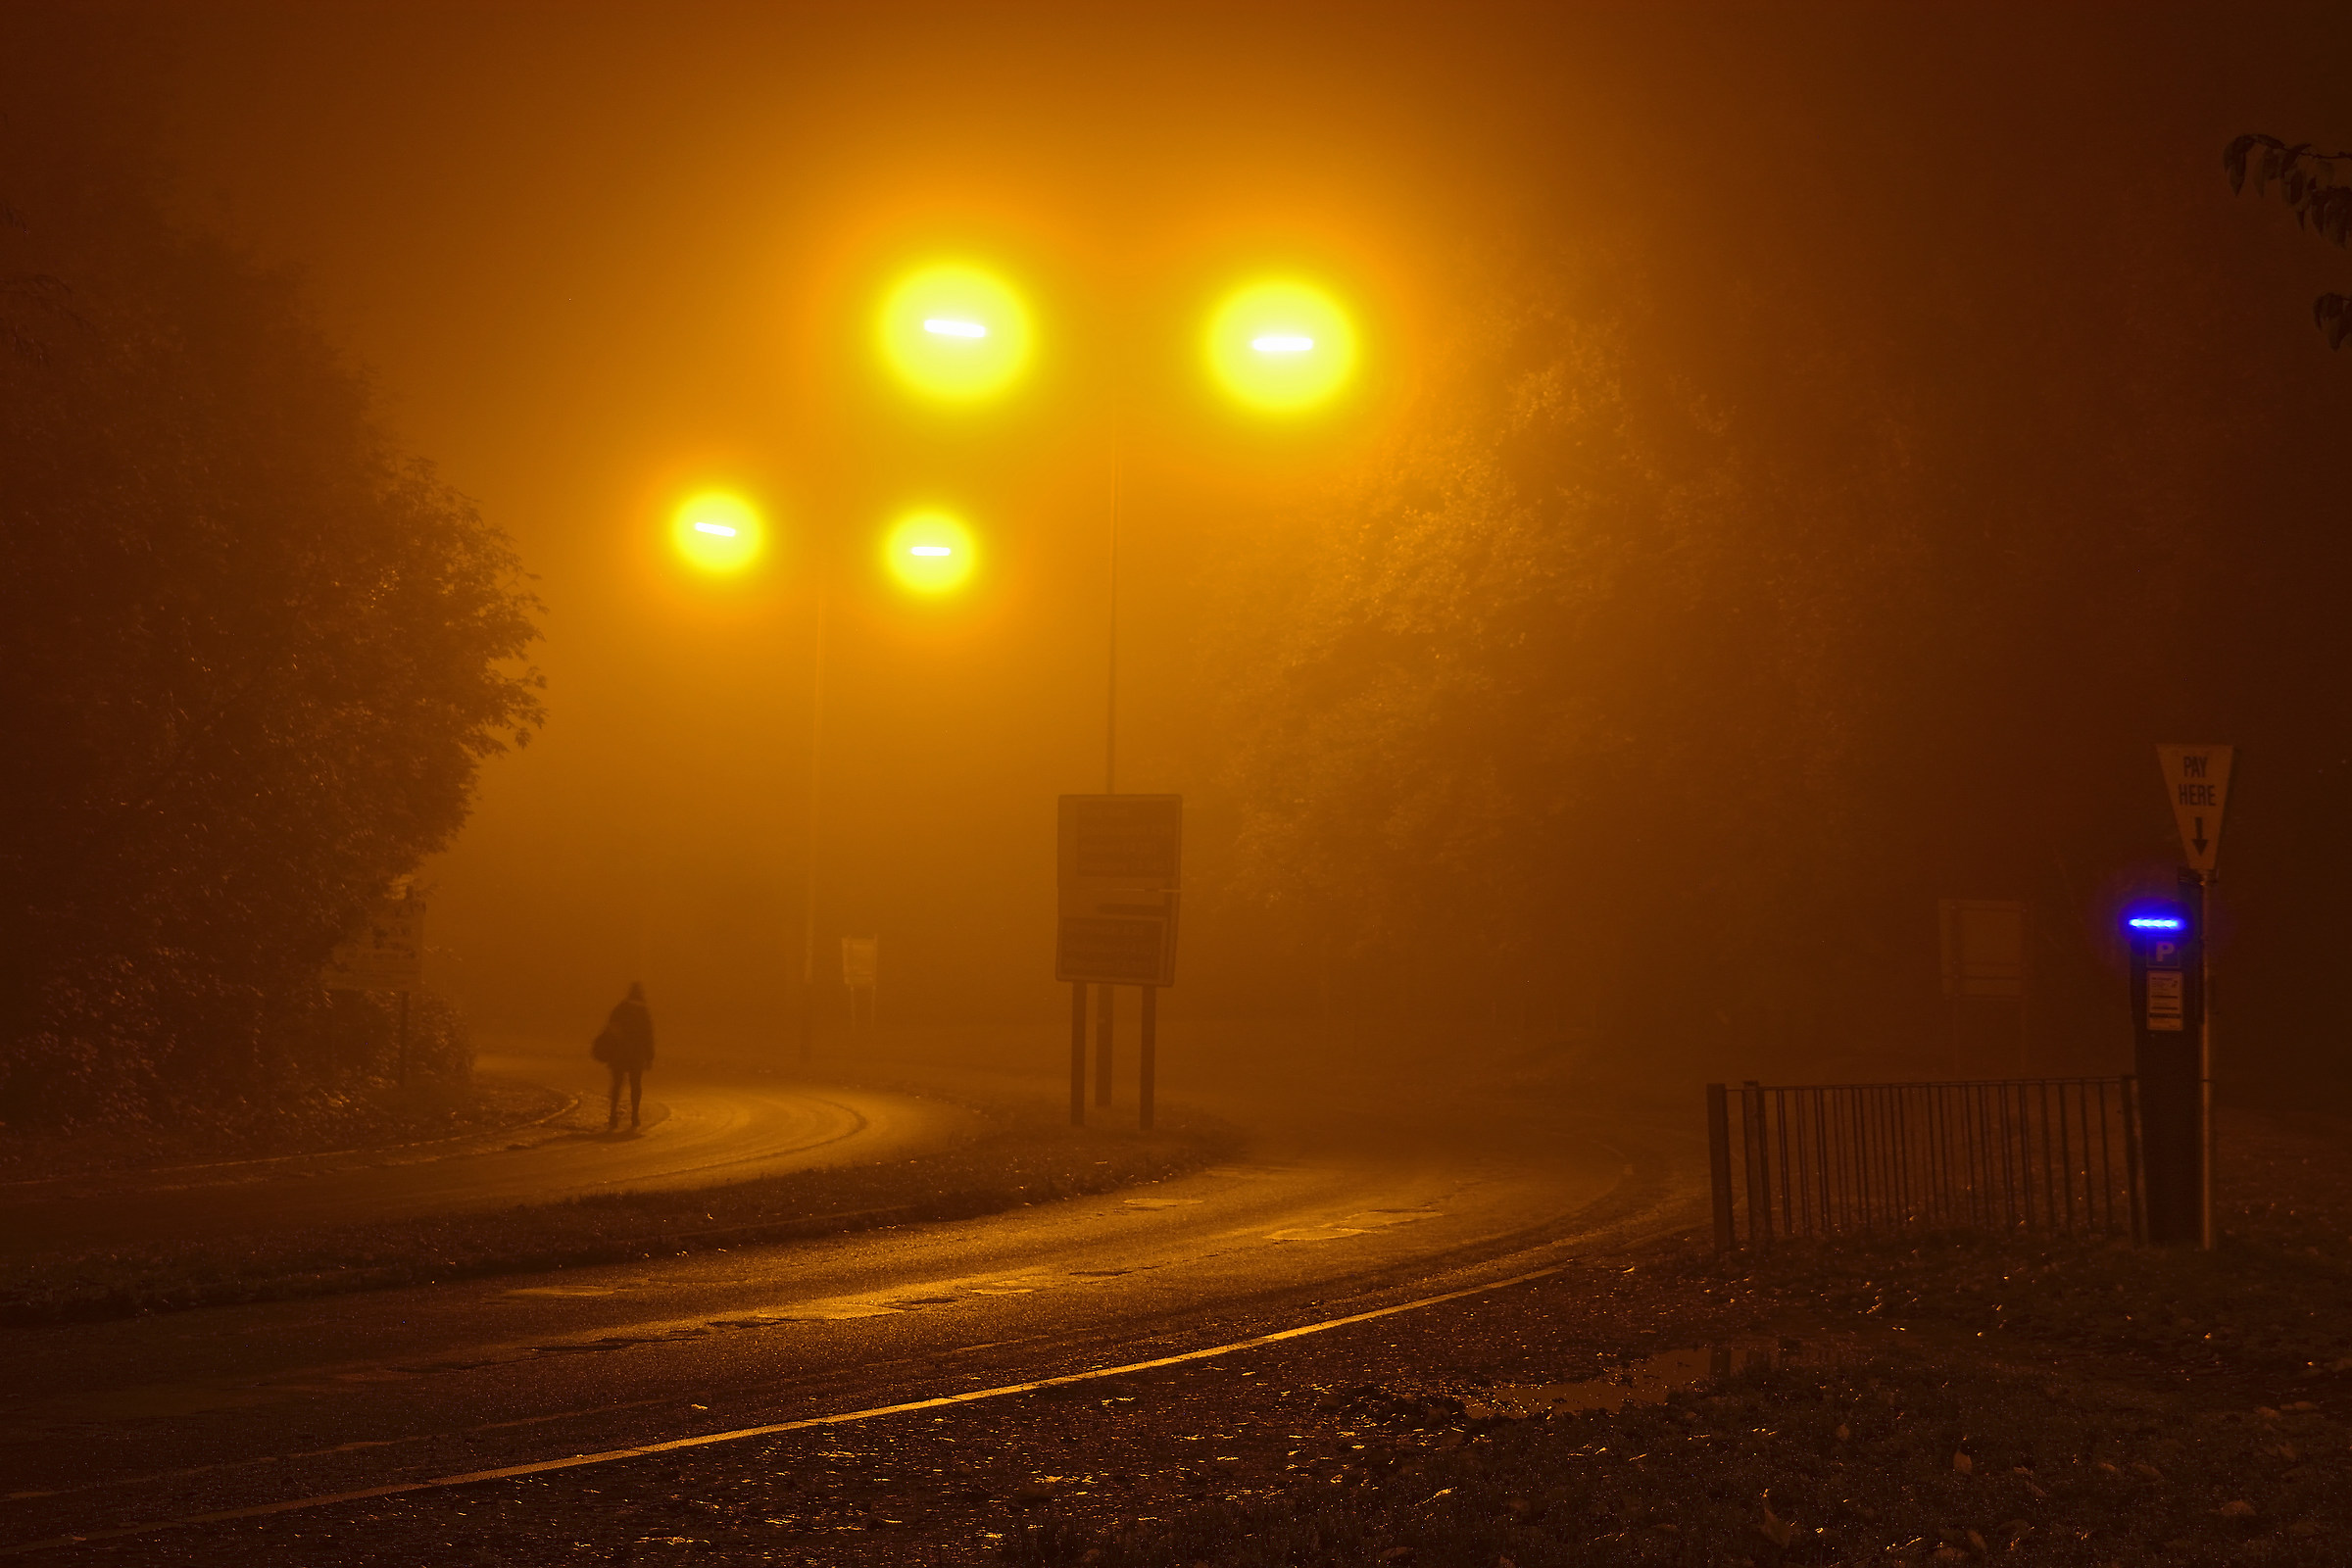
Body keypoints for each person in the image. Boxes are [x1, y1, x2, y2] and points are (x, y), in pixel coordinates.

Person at [592, 981, 655, 1130]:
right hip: (636, 1054)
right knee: (635, 1085)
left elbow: (611, 1029)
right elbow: (648, 1036)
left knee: (617, 1084)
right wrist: (650, 1056)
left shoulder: (619, 1009)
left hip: (619, 1053)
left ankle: (613, 1114)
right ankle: (635, 1115)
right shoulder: (643, 1012)